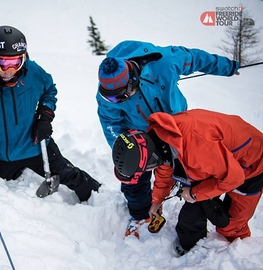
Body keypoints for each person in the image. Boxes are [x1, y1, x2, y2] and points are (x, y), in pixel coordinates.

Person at [96, 40, 240, 237]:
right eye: (111, 98)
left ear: (133, 80)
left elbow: (195, 58)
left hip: (179, 128)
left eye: (120, 96)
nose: (116, 101)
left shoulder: (165, 62)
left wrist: (228, 67)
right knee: (134, 179)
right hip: (141, 136)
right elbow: (110, 124)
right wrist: (130, 153)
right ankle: (140, 214)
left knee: (187, 169)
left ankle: (195, 209)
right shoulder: (107, 95)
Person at [0, 25, 100, 202]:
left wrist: (44, 117)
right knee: (3, 194)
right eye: (3, 62)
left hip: (37, 145)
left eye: (16, 62)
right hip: (1, 155)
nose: (10, 70)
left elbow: (49, 91)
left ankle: (100, 196)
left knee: (67, 173)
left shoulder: (32, 72)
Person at [111, 109, 263, 255]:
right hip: (219, 162)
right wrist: (157, 200)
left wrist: (194, 193)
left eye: (145, 169)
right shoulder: (160, 140)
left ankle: (238, 255)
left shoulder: (196, 148)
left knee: (231, 226)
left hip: (252, 164)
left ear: (151, 161)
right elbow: (165, 171)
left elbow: (234, 178)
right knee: (198, 207)